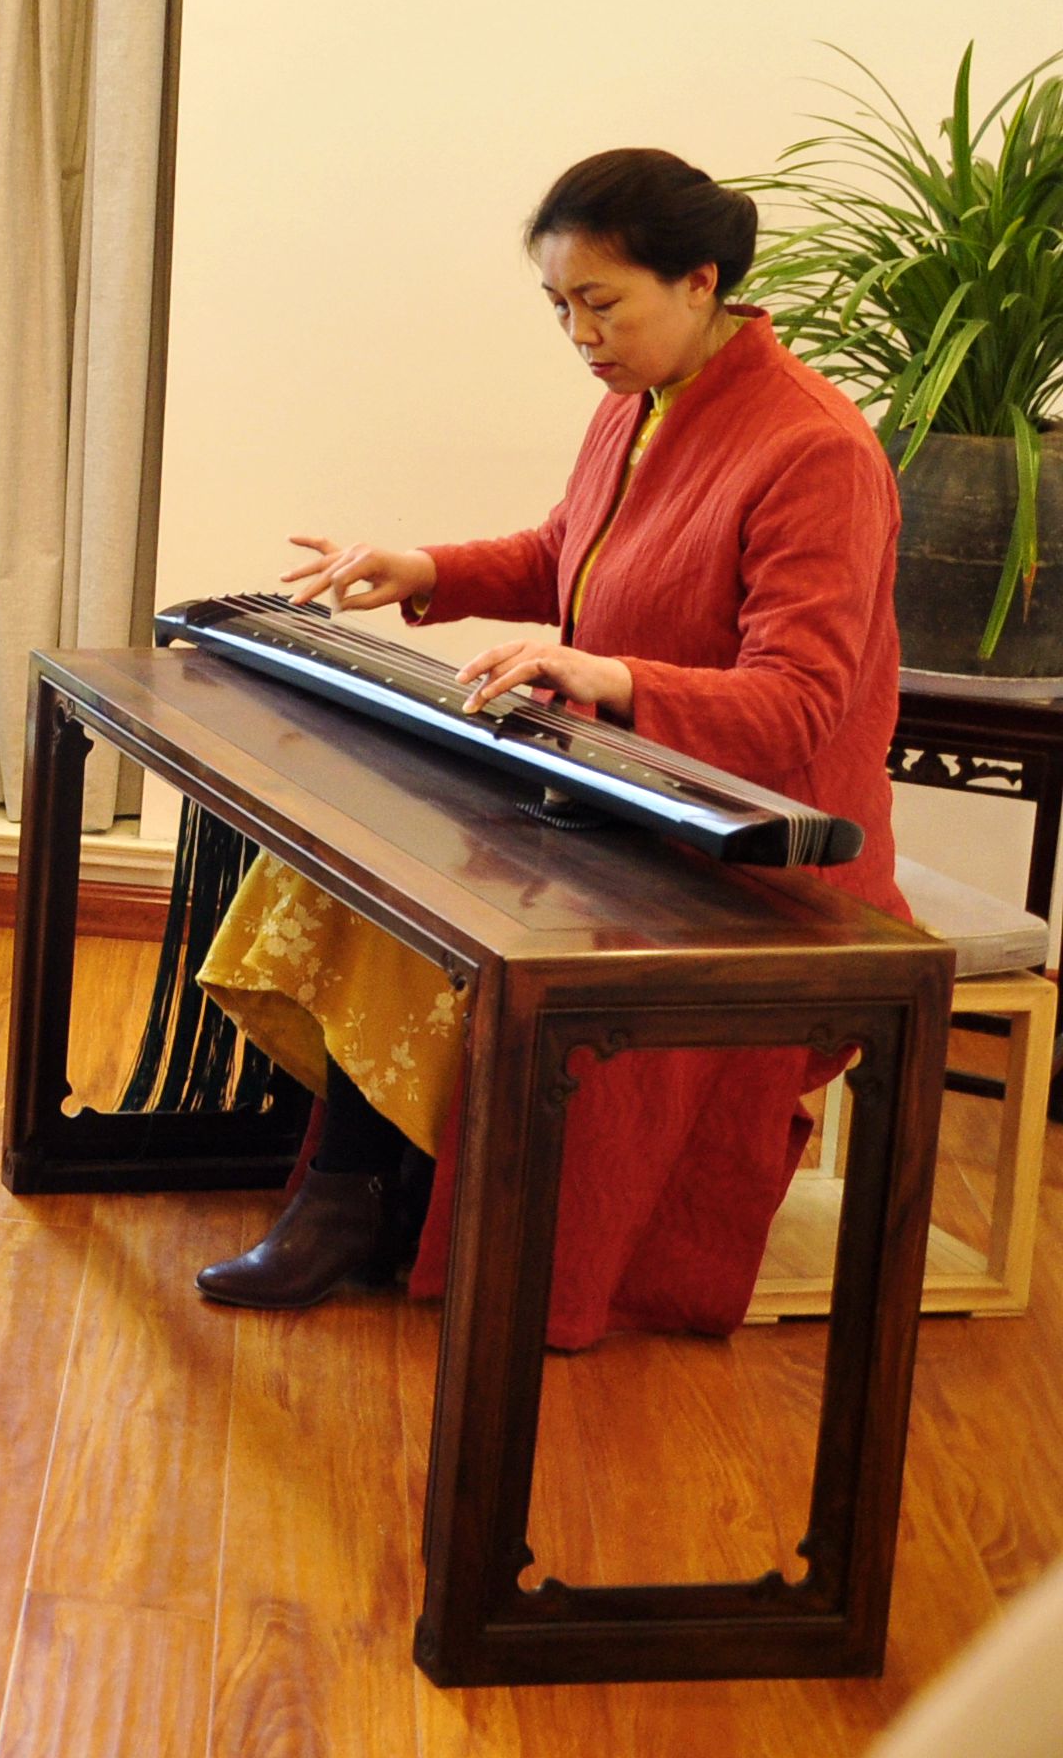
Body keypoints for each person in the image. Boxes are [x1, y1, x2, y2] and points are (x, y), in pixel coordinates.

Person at [189, 148, 908, 1337]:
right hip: (628, 790)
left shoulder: (812, 448)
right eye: (558, 306)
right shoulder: (637, 400)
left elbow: (800, 702)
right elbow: (565, 551)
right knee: (370, 852)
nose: (579, 334)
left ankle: (359, 1196)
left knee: (436, 892)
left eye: (600, 302)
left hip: (754, 849)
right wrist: (421, 568)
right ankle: (368, 1185)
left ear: (700, 280)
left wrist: (610, 677)